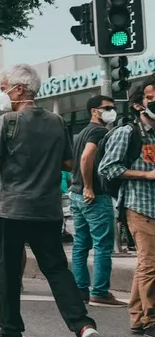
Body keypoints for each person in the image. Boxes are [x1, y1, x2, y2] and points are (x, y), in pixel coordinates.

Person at [0, 64, 102, 337]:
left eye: (5, 87)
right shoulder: (57, 121)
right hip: (47, 209)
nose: (2, 94)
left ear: (20, 90)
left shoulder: (7, 121)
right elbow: (69, 164)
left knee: (8, 270)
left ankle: (10, 334)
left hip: (12, 208)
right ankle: (83, 327)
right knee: (57, 269)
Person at [99, 81, 155, 337]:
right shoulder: (127, 133)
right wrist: (146, 175)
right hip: (138, 205)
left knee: (147, 264)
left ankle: (138, 317)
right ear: (138, 104)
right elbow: (107, 168)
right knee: (150, 264)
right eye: (151, 98)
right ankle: (152, 320)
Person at [68, 95, 124, 307]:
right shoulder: (99, 131)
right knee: (102, 245)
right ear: (94, 111)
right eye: (107, 108)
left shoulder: (82, 132)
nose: (112, 111)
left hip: (76, 194)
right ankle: (100, 292)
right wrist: (89, 186)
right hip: (94, 196)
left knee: (81, 243)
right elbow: (86, 157)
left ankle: (81, 289)